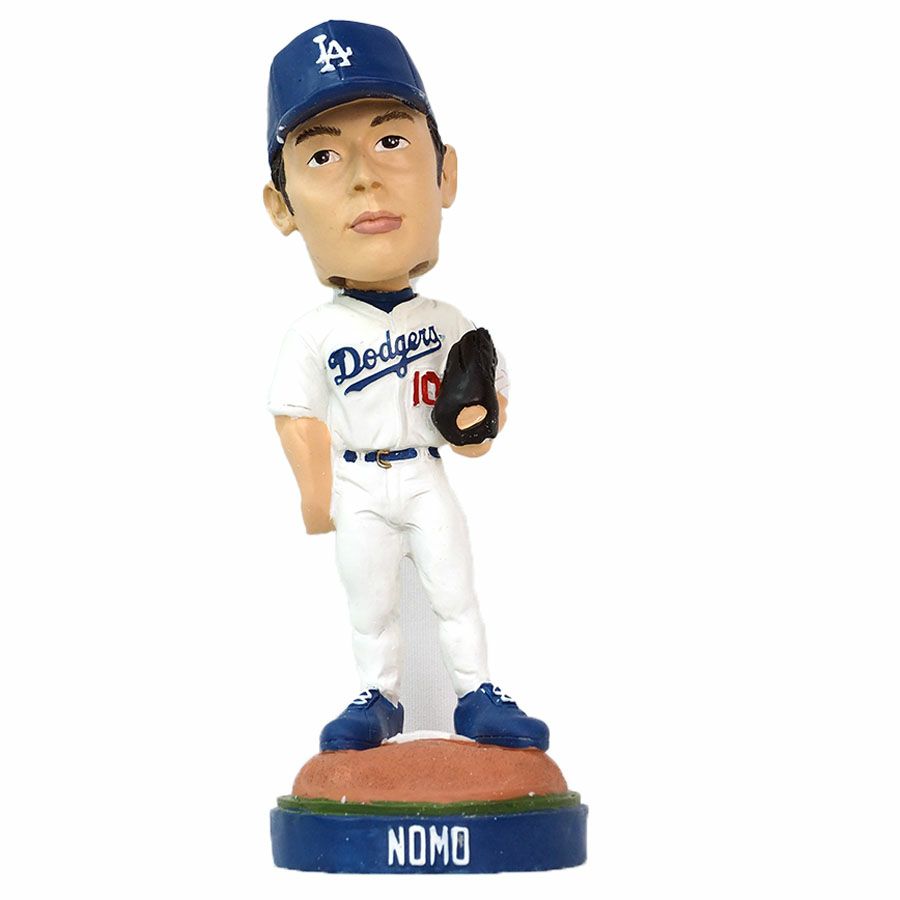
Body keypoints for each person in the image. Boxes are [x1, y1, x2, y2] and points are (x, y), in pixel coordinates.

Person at [264, 20, 548, 752]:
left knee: (455, 590)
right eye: (322, 155)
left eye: (391, 140)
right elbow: (295, 414)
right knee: (370, 606)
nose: (364, 177)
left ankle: (477, 694)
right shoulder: (316, 332)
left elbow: (480, 428)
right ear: (282, 206)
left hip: (424, 473)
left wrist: (477, 424)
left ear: (444, 174)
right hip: (357, 482)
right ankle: (377, 696)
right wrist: (316, 497)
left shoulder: (451, 324)